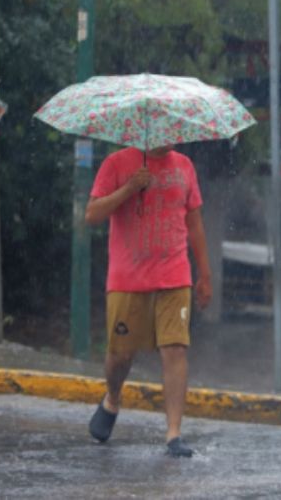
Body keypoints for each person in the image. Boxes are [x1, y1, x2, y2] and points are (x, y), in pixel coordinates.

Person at [85, 144, 211, 458]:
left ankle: (173, 434)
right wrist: (129, 188)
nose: (169, 136)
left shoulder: (184, 166)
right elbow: (92, 214)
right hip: (128, 278)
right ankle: (112, 398)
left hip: (175, 275)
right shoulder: (116, 163)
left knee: (175, 348)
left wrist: (205, 273)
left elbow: (195, 223)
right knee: (120, 355)